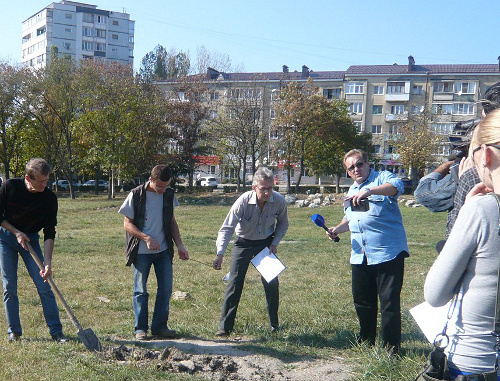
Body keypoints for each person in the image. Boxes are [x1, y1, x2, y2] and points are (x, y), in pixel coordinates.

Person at [424, 108, 500, 380]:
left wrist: (465, 214)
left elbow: (435, 294)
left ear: (486, 154)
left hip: (479, 358)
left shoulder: (480, 210)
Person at [326, 149, 409, 354]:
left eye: (359, 164)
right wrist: (337, 229)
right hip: (360, 254)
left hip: (388, 251)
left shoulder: (382, 178)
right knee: (362, 300)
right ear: (348, 172)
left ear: (367, 163)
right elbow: (350, 219)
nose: (356, 169)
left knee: (389, 302)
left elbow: (397, 187)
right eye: (351, 167)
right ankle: (367, 340)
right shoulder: (351, 191)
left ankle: (391, 348)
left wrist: (370, 191)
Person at [213, 167, 288, 336]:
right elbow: (227, 228)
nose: (268, 193)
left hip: (265, 244)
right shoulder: (243, 201)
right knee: (234, 283)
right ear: (254, 187)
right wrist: (220, 253)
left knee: (271, 283)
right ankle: (225, 328)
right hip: (243, 244)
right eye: (263, 189)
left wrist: (275, 242)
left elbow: (283, 223)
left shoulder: (279, 201)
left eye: (270, 188)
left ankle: (274, 325)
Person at [118, 165, 189, 341]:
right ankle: (140, 329)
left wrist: (180, 245)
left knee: (165, 288)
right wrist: (146, 238)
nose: (162, 190)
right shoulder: (136, 195)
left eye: (166, 186)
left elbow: (171, 221)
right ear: (151, 180)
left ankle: (159, 327)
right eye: (159, 186)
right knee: (141, 290)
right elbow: (127, 224)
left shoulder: (169, 194)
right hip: (141, 252)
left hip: (164, 251)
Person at [0, 158, 65, 342]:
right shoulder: (10, 187)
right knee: (9, 286)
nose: (45, 184)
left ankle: (56, 331)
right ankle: (14, 331)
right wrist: (16, 232)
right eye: (41, 181)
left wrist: (47, 262)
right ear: (28, 178)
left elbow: (49, 231)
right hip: (6, 239)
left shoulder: (49, 198)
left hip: (32, 240)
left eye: (47, 180)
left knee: (45, 284)